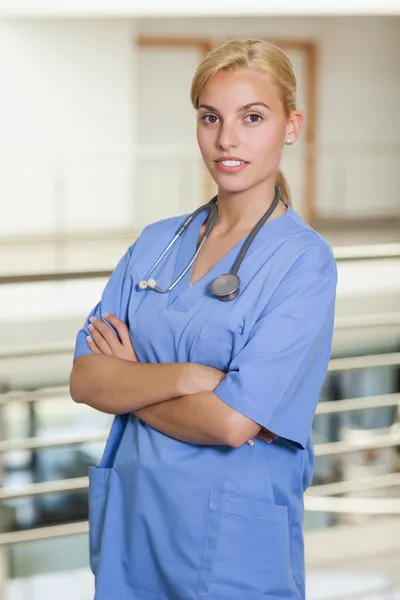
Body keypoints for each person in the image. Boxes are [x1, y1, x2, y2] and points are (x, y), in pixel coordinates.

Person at [70, 38, 337, 600]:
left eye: (252, 117)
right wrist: (190, 378)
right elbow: (86, 379)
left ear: (292, 125)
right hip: (133, 533)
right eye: (211, 117)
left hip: (231, 551)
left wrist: (132, 383)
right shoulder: (155, 244)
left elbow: (232, 424)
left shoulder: (303, 262)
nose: (227, 139)